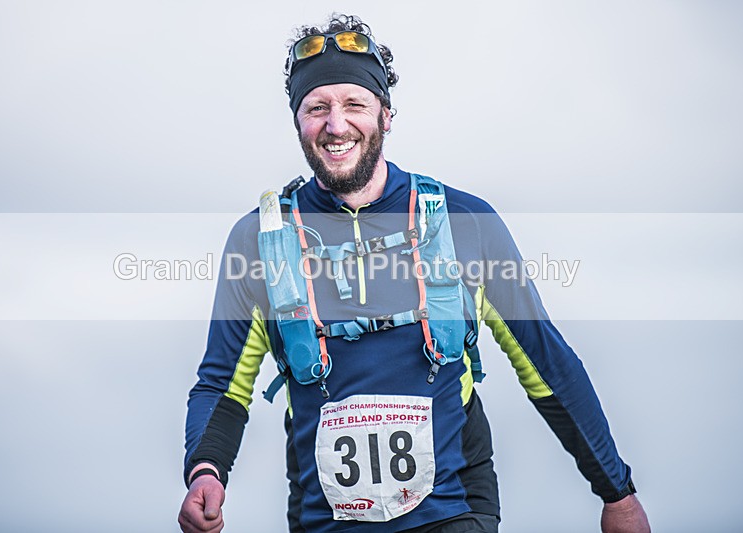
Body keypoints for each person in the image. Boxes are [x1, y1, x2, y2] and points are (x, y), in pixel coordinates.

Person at [178, 13, 650, 533]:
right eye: (317, 108)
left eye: (354, 104)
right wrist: (205, 472)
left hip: (454, 509)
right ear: (298, 121)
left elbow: (545, 362)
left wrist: (617, 493)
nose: (336, 125)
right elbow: (222, 386)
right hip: (324, 521)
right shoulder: (258, 240)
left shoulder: (465, 223)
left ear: (385, 115)